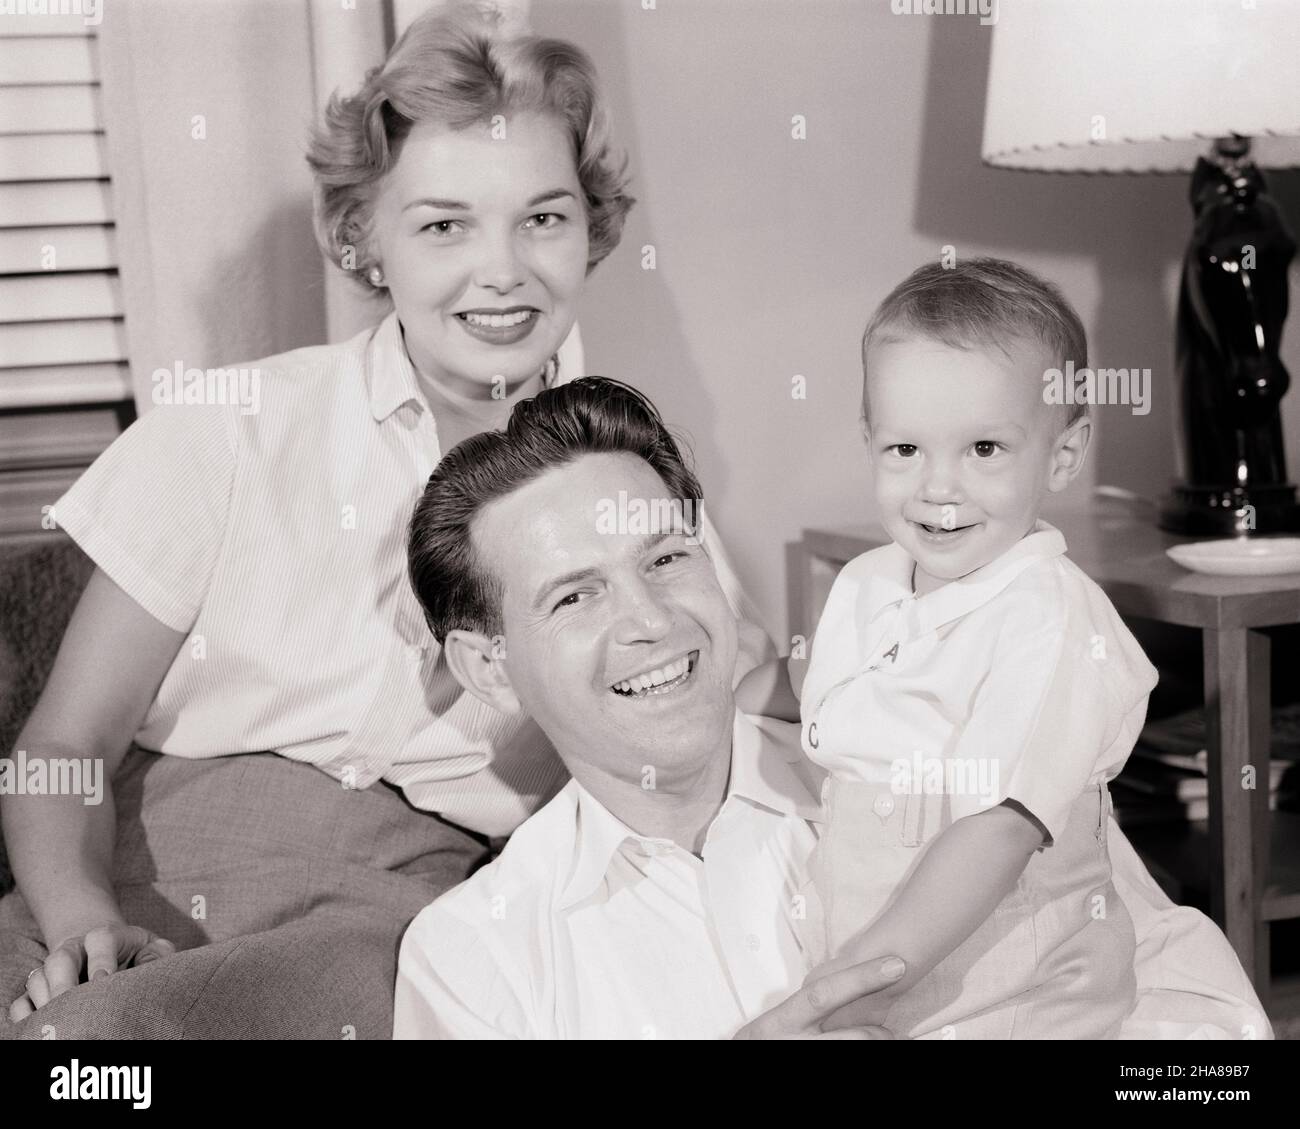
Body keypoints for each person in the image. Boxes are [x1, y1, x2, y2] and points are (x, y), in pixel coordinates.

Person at [0, 10, 767, 1039]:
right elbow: (63, 742)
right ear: (363, 237)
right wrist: (79, 920)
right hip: (133, 861)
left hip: (402, 912)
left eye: (542, 218)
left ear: (591, 226)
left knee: (100, 1054)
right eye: (445, 224)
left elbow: (741, 728)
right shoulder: (229, 432)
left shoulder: (635, 489)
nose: (502, 271)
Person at [394, 375, 1270, 1040]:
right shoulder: (479, 958)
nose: (652, 622)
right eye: (575, 598)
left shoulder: (942, 754)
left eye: (666, 558)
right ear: (489, 667)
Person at [736, 257, 1157, 1038]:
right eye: (906, 450)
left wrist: (831, 999)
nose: (939, 487)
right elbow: (813, 683)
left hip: (1016, 987)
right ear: (870, 439)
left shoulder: (1050, 621)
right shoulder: (870, 582)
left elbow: (998, 830)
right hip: (885, 975)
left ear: (1062, 454)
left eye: (985, 449)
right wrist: (719, 709)